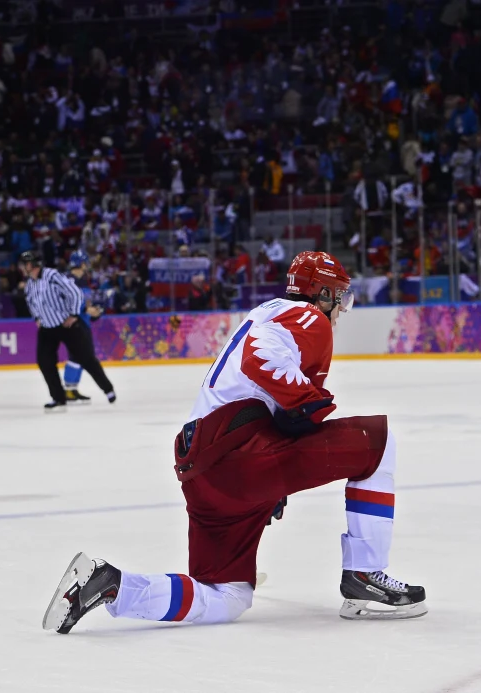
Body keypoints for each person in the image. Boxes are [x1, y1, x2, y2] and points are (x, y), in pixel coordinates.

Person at [43, 251, 426, 634]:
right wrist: (308, 401)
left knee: (226, 595)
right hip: (238, 453)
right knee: (376, 442)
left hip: (203, 471)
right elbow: (258, 358)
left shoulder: (267, 311)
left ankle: (112, 585)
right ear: (322, 294)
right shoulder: (309, 317)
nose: (341, 309)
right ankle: (365, 575)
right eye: (339, 297)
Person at [19, 251, 115, 411]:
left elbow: (75, 293)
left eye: (24, 264)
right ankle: (58, 397)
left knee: (85, 357)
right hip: (47, 328)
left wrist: (74, 314)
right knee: (44, 362)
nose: (21, 267)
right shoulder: (30, 283)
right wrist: (37, 317)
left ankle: (108, 389)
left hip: (66, 325)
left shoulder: (52, 275)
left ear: (32, 264)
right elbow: (30, 300)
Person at [61, 250, 105, 404]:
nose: (88, 266)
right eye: (86, 262)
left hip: (84, 322)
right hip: (72, 323)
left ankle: (72, 389)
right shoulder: (67, 281)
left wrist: (94, 312)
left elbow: (86, 302)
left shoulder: (84, 280)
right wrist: (85, 310)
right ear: (81, 263)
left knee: (82, 356)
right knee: (76, 355)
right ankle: (68, 390)